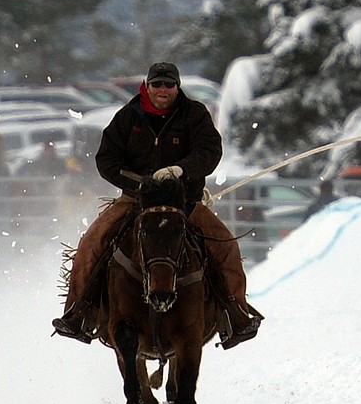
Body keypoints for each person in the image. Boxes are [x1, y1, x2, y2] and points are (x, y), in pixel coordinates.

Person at [52, 62, 262, 349]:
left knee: (225, 245)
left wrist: (180, 170)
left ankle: (234, 314)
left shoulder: (195, 114)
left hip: (185, 201)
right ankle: (80, 312)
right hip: (135, 200)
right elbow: (106, 159)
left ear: (177, 87)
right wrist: (136, 181)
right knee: (91, 243)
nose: (163, 90)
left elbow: (210, 151)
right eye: (157, 84)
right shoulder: (128, 116)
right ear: (147, 86)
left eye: (169, 84)